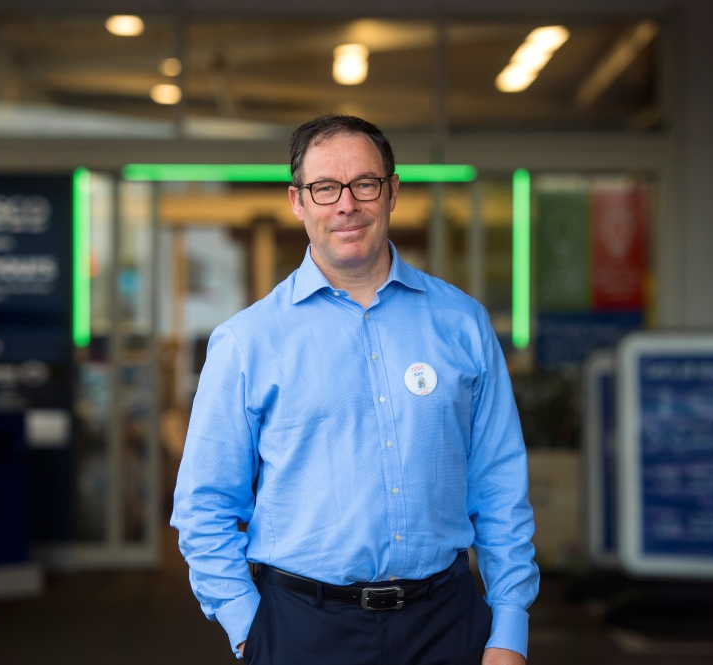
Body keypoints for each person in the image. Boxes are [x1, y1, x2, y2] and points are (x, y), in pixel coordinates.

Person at [171, 114, 538, 665]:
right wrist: (251, 631)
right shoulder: (248, 341)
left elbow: (501, 487)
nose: (347, 204)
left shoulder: (463, 324)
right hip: (302, 631)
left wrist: (508, 628)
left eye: (364, 184)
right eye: (325, 188)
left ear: (393, 191)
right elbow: (204, 507)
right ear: (298, 201)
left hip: (446, 624)